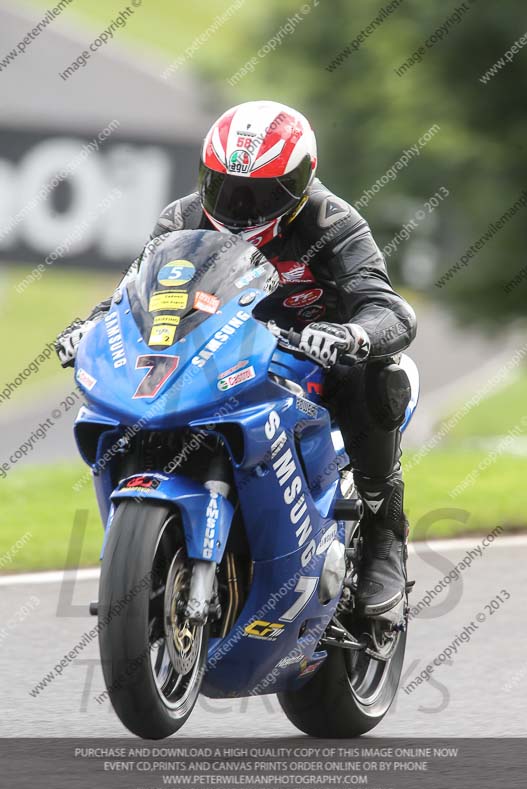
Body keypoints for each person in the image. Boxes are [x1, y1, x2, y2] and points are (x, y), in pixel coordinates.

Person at [56, 100, 417, 622]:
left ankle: (384, 536)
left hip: (308, 361)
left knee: (380, 377)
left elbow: (389, 309)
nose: (242, 207)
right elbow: (132, 296)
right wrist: (86, 329)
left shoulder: (332, 221)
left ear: (300, 183)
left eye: (262, 194)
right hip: (214, 354)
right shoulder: (180, 219)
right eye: (227, 188)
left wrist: (350, 335)